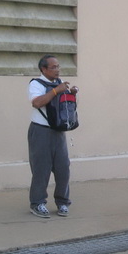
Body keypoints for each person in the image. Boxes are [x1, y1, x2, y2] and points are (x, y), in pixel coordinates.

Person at [27, 54, 79, 218]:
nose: (57, 70)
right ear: (43, 69)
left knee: (63, 168)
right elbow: (37, 103)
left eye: (58, 66)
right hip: (40, 131)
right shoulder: (36, 84)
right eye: (53, 67)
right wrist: (56, 91)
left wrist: (71, 93)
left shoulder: (59, 82)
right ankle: (37, 203)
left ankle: (63, 202)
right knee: (41, 169)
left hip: (58, 131)